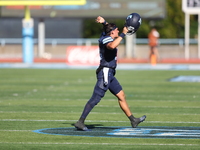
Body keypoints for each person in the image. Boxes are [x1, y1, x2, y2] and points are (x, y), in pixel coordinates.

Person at [74, 16, 146, 131]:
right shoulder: (106, 39)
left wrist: (104, 22)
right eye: (116, 30)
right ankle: (80, 121)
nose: (118, 30)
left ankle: (133, 120)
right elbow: (112, 46)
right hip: (105, 72)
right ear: (112, 32)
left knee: (121, 95)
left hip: (110, 73)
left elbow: (108, 30)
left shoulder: (107, 35)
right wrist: (122, 34)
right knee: (95, 99)